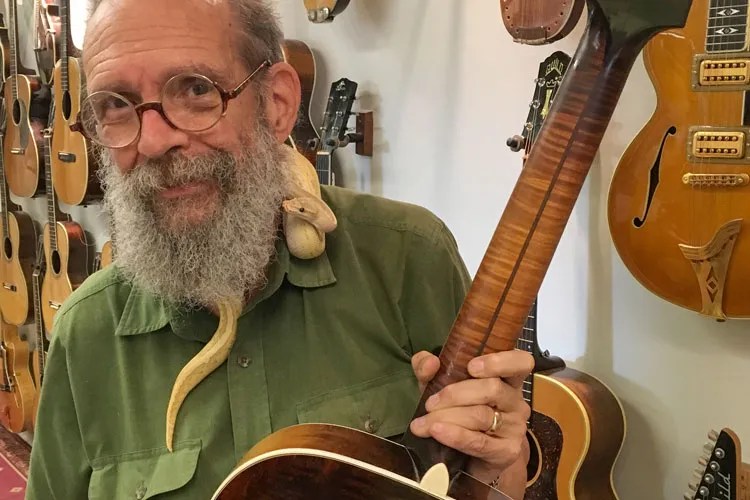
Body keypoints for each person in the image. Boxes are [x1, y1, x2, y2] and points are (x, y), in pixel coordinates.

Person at [25, 0, 534, 498]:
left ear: (277, 105)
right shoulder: (85, 334)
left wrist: (497, 462)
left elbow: (483, 480)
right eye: (116, 105)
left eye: (197, 90)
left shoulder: (407, 259)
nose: (153, 141)